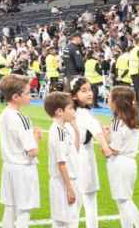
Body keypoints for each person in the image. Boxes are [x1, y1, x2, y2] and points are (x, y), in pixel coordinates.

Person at [0, 74, 42, 228]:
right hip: (23, 168)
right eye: (28, 93)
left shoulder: (4, 114)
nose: (31, 96)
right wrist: (36, 138)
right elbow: (33, 151)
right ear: (16, 97)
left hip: (8, 167)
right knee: (24, 210)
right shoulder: (21, 118)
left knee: (10, 208)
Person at [68, 77, 111, 228]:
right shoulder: (84, 113)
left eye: (90, 89)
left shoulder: (72, 112)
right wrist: (106, 147)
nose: (90, 93)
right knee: (90, 203)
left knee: (76, 204)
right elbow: (97, 132)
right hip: (85, 160)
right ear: (74, 95)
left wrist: (104, 135)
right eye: (84, 90)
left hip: (73, 160)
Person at [105, 86, 139, 228]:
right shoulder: (131, 119)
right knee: (124, 200)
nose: (108, 100)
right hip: (129, 162)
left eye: (110, 98)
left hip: (119, 163)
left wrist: (104, 140)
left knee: (124, 201)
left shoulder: (118, 121)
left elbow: (113, 150)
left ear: (117, 102)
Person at [45, 91, 80, 228]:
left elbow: (74, 152)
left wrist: (76, 131)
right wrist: (69, 189)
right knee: (68, 222)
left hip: (68, 180)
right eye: (70, 108)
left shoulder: (64, 129)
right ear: (59, 111)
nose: (73, 112)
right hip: (63, 183)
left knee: (65, 221)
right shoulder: (58, 132)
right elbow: (61, 163)